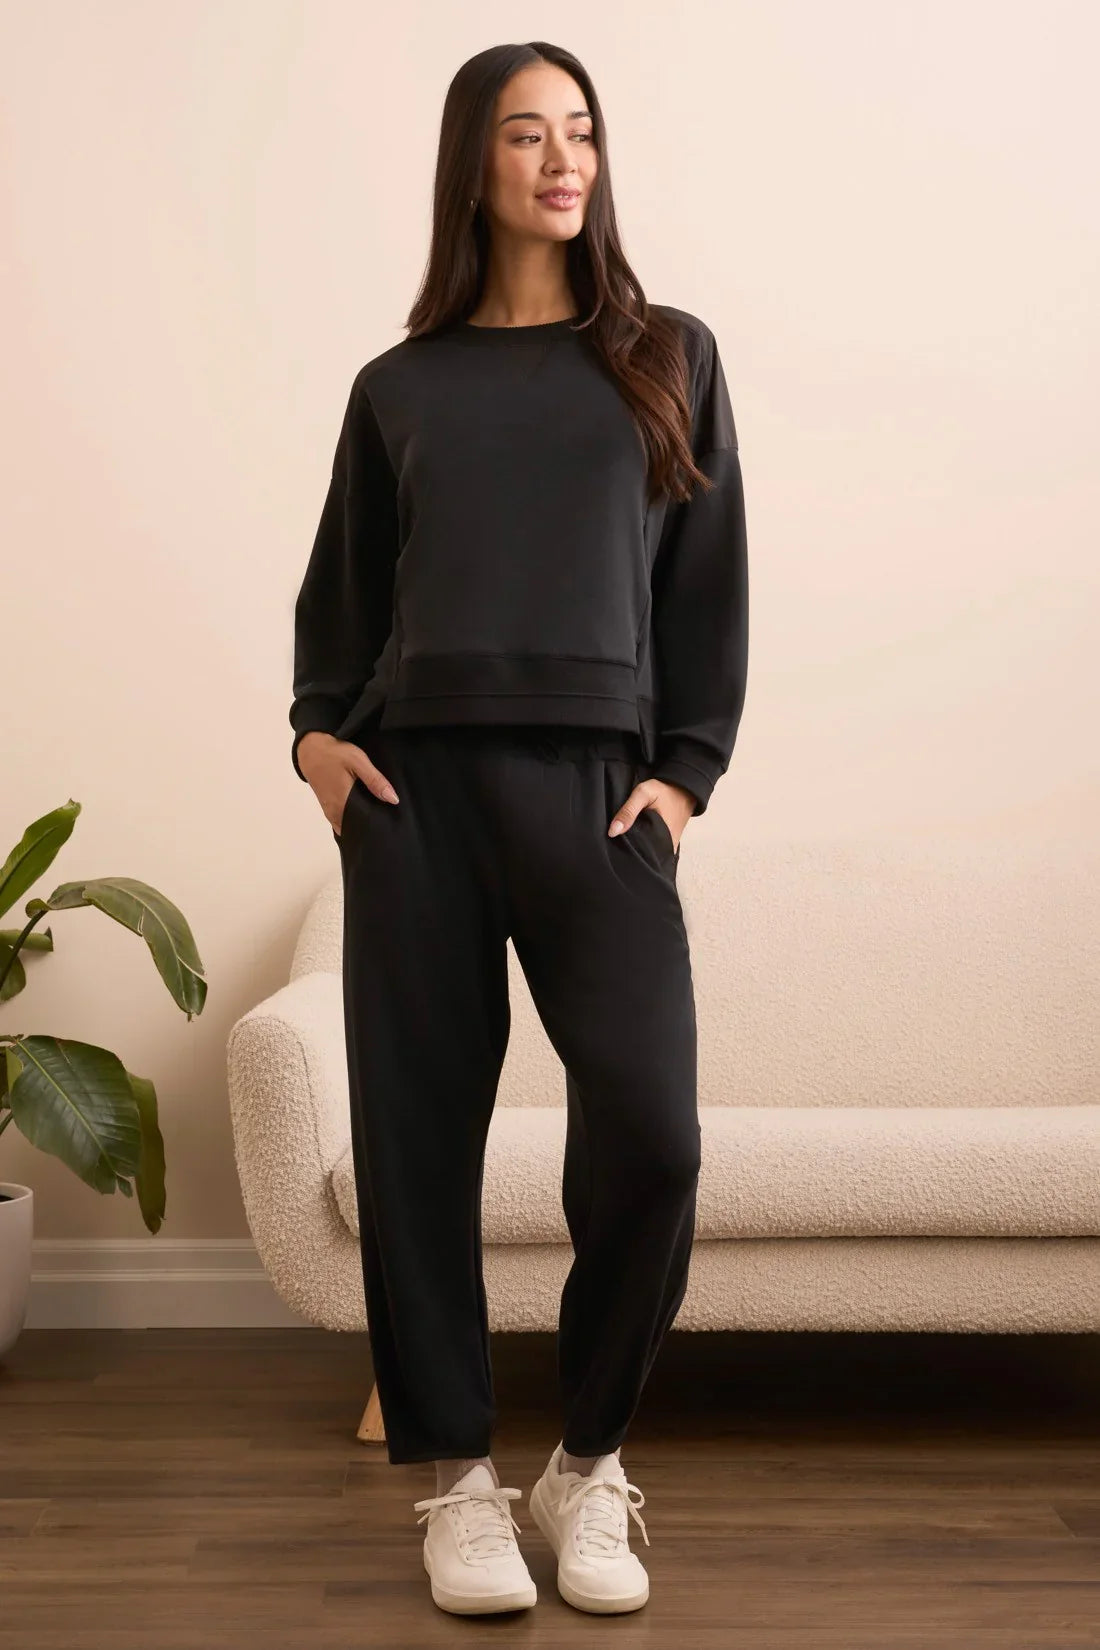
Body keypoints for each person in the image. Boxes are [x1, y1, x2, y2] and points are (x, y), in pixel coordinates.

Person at [289, 41, 748, 1619]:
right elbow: (337, 608)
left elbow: (708, 590)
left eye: (583, 132)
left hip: (598, 797)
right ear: (470, 165)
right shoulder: (397, 388)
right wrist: (320, 751)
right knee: (419, 1148)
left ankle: (590, 1462)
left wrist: (681, 776)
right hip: (417, 799)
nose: (564, 159)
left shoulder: (667, 355)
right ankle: (459, 1484)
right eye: (527, 134)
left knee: (654, 1132)